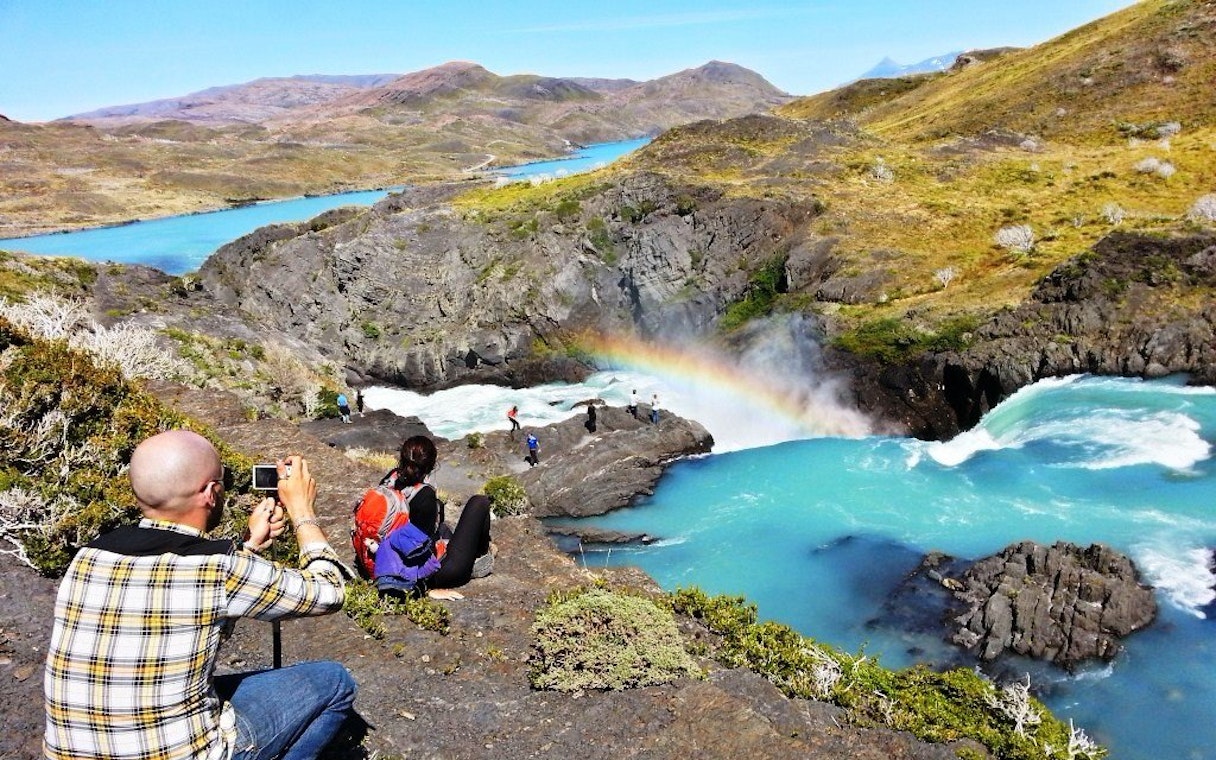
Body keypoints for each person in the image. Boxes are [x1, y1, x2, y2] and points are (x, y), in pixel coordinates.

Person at [44, 430, 356, 760]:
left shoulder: (87, 557)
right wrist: (302, 511)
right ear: (210, 493)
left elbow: (183, 601)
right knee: (335, 681)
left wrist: (248, 546)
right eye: (223, 480)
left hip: (70, 752)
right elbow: (329, 592)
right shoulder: (219, 569)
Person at [374, 435, 493, 598]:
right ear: (431, 465)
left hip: (384, 559)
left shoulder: (390, 479)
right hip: (434, 573)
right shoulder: (424, 495)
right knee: (480, 502)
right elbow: (420, 550)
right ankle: (480, 557)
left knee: (443, 528)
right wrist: (427, 590)